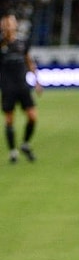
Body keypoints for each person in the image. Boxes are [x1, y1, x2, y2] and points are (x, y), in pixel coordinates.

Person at [0, 14, 42, 163]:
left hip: (22, 86)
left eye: (11, 23)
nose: (8, 25)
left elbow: (29, 61)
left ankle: (24, 144)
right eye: (6, 23)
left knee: (32, 117)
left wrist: (37, 81)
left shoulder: (22, 42)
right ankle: (13, 152)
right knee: (9, 120)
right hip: (7, 88)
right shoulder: (1, 43)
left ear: (15, 24)